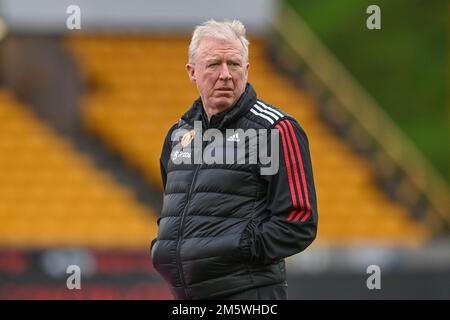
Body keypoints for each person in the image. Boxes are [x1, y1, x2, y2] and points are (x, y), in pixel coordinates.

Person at [151, 19, 318, 300]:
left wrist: (240, 247)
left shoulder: (274, 130)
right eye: (215, 64)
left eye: (235, 64)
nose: (226, 74)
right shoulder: (178, 135)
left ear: (247, 70)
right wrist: (166, 247)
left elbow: (298, 221)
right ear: (192, 72)